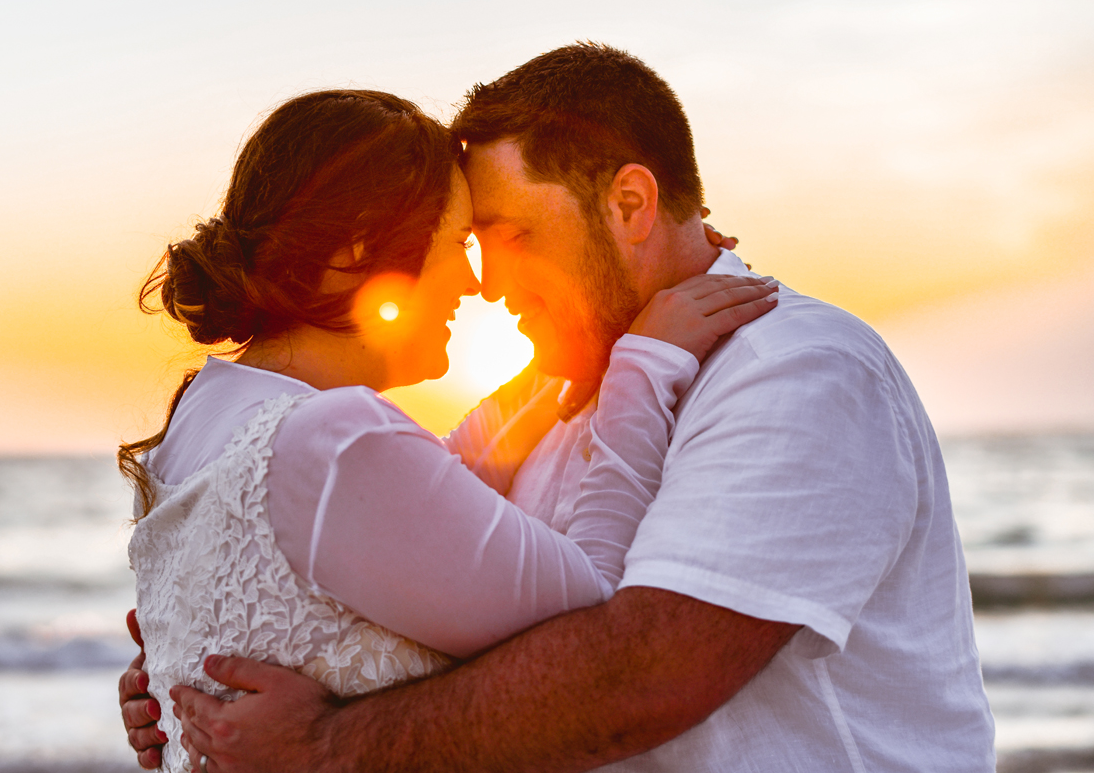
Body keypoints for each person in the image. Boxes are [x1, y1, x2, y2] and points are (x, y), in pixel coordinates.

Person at [118, 87, 779, 773]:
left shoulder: (200, 423)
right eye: (461, 242)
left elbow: (444, 483)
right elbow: (591, 609)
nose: (475, 283)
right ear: (356, 251)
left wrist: (608, 318)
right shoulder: (334, 441)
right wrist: (644, 368)